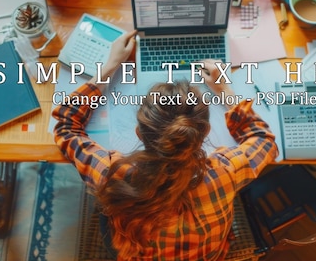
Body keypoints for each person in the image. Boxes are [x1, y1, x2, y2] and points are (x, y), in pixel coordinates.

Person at [52, 30, 278, 260]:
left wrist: (110, 66)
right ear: (205, 132)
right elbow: (264, 140)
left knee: (108, 210)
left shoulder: (114, 174)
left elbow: (65, 126)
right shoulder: (224, 174)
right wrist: (225, 90)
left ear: (139, 134)